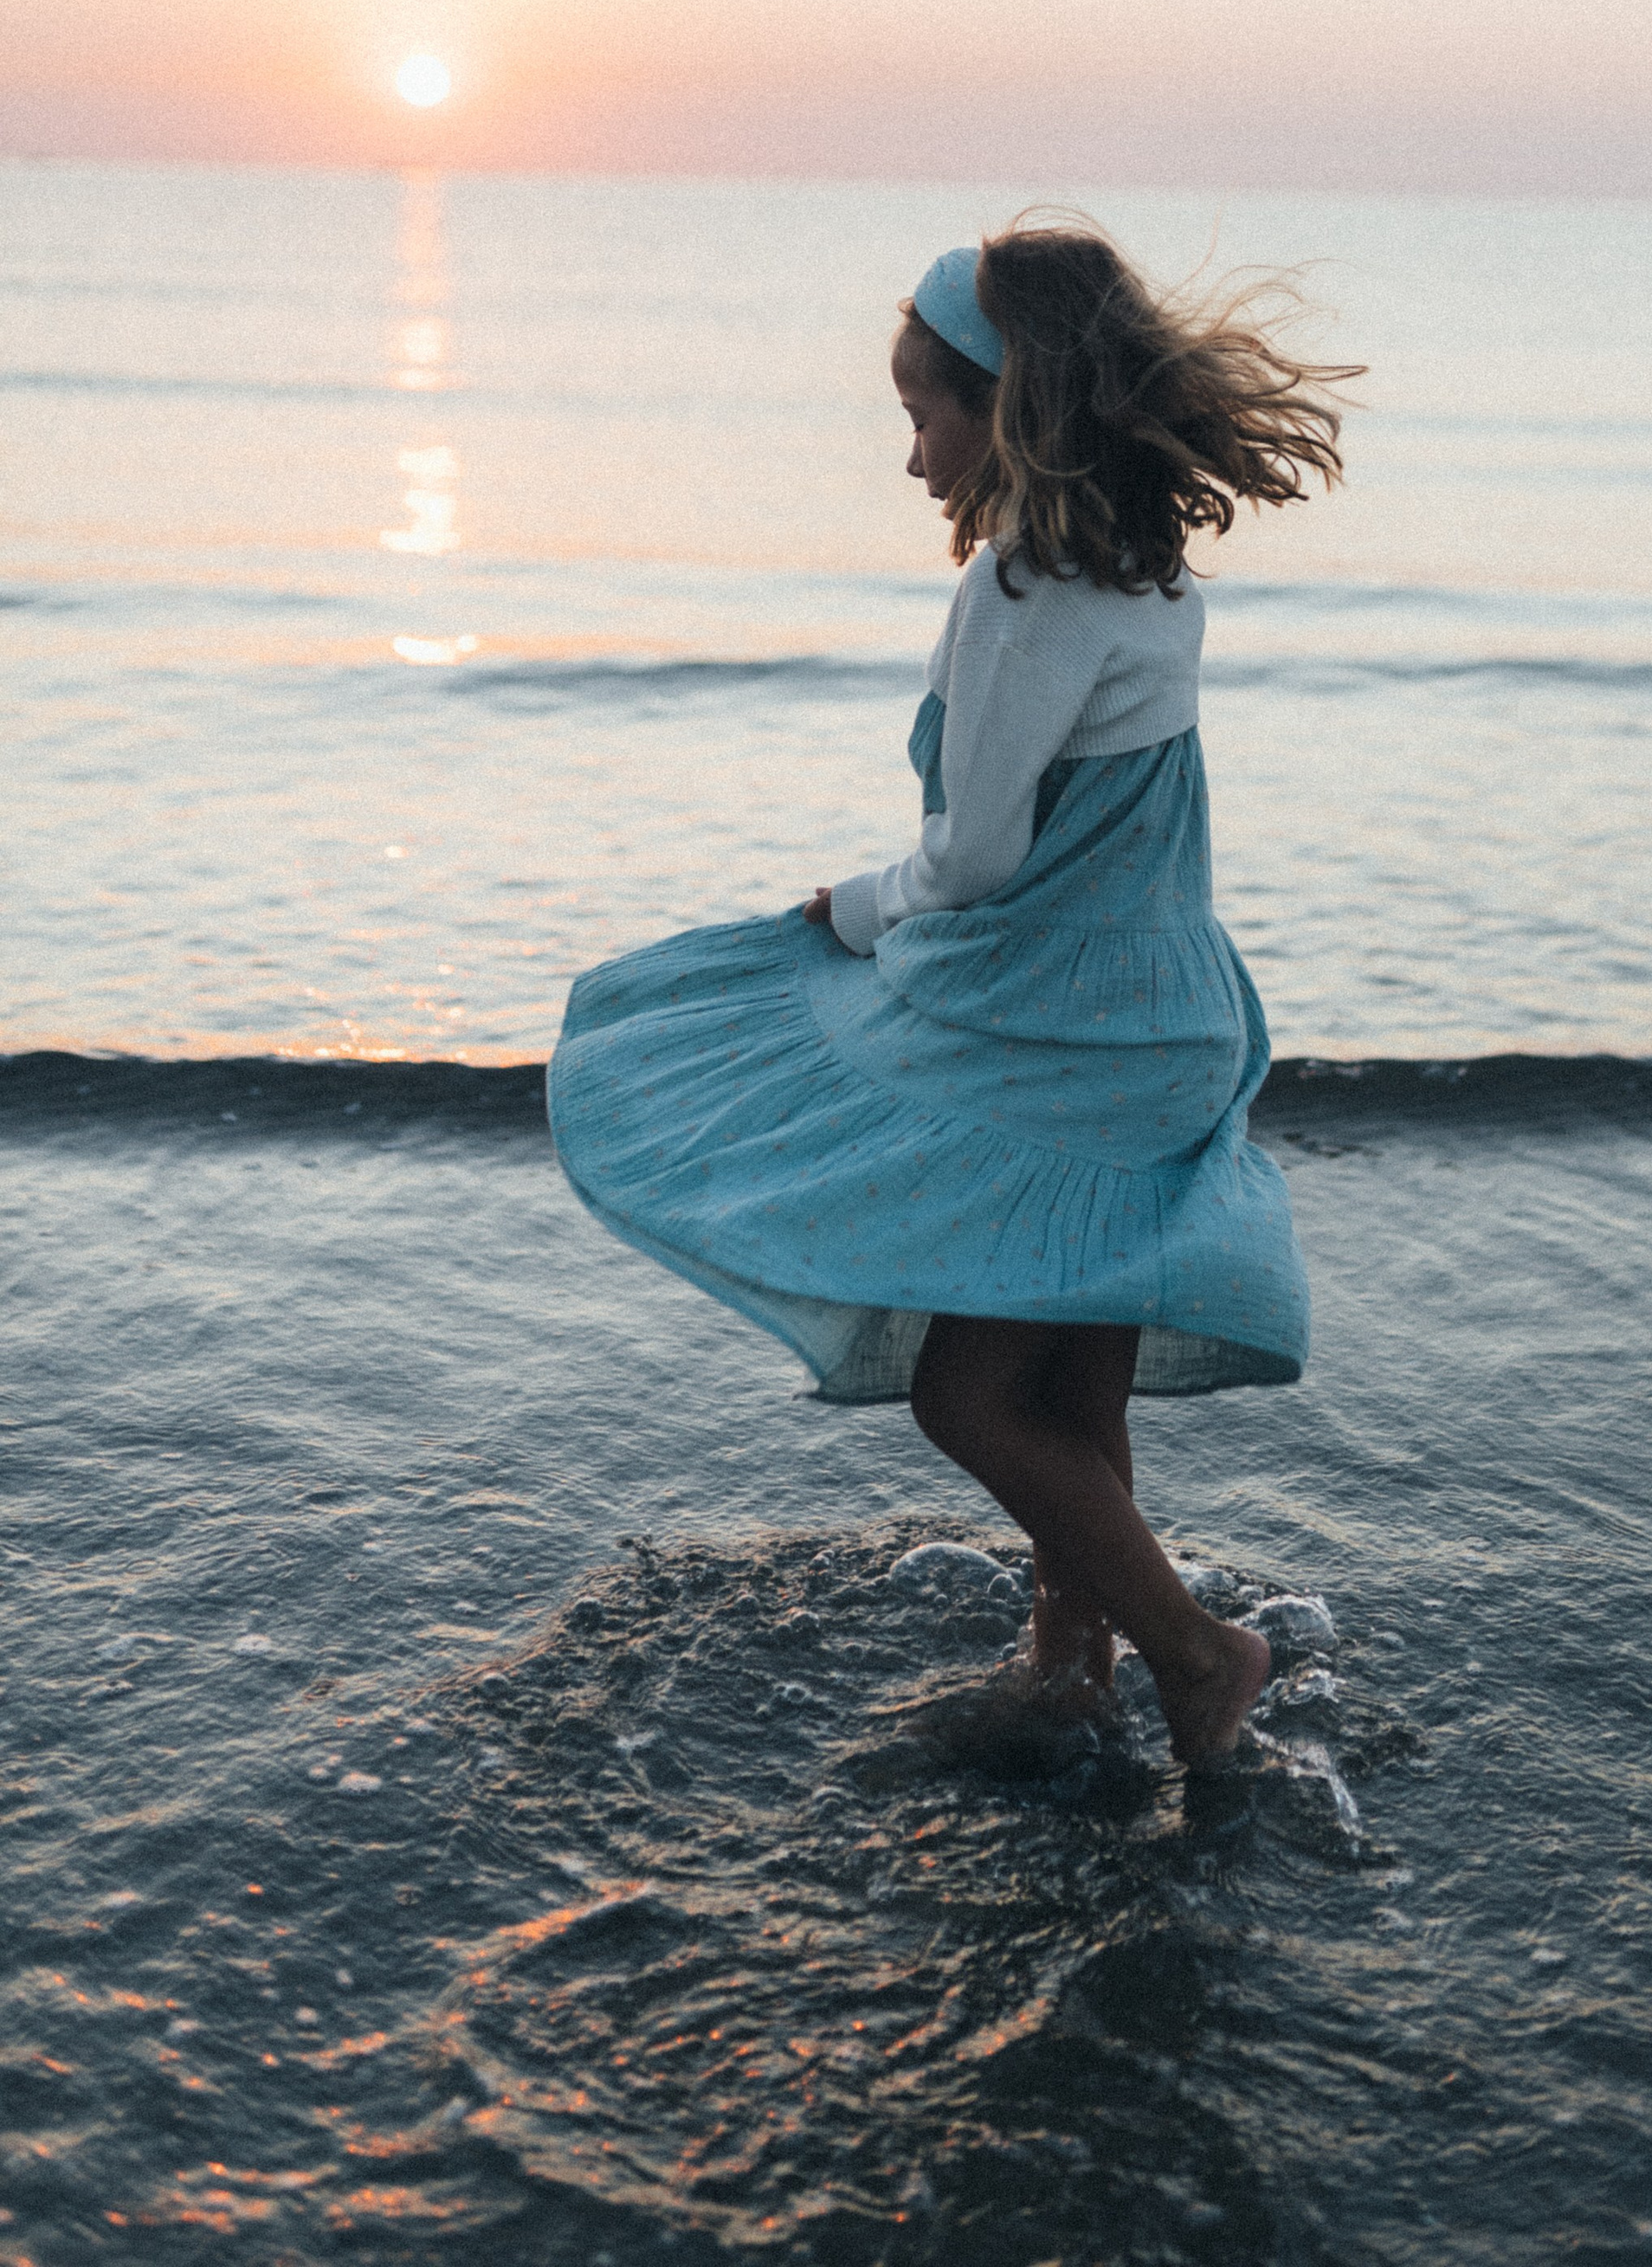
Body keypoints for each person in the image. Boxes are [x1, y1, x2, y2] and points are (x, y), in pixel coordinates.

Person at [548, 218, 1357, 1763]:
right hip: (1163, 1019)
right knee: (1072, 1385)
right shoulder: (1152, 578)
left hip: (1049, 1034)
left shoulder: (1023, 594)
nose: (913, 454)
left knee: (966, 1402)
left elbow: (977, 857)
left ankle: (1194, 1653)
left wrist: (846, 911)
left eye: (929, 415)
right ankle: (1071, 1660)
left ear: (1017, 413)